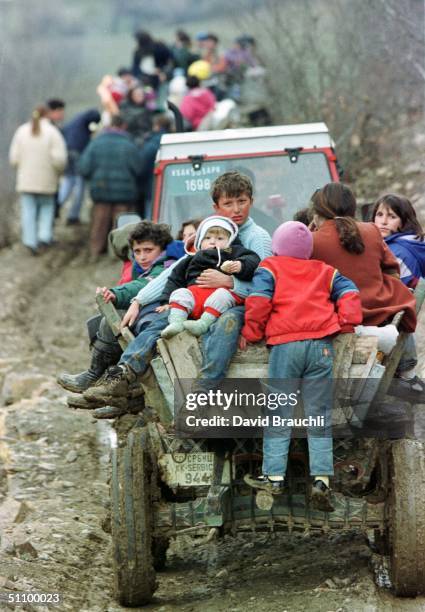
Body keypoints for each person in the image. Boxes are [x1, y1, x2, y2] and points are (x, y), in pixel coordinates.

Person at [83, 171, 272, 406]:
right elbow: (175, 272)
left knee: (225, 325)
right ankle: (124, 372)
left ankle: (205, 387)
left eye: (242, 202)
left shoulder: (257, 238)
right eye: (228, 203)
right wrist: (139, 301)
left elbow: (265, 287)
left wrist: (230, 283)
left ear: (251, 202)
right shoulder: (211, 234)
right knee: (160, 321)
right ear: (216, 207)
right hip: (201, 298)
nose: (236, 209)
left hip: (238, 303)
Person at [242, 221, 362, 511]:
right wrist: (346, 323)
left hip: (286, 347)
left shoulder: (270, 267)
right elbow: (350, 292)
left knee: (279, 411)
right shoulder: (324, 270)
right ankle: (321, 479)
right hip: (321, 346)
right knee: (318, 414)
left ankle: (274, 476)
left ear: (278, 247)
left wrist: (252, 333)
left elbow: (258, 301)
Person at [310, 182, 420, 397]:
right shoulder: (371, 230)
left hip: (341, 318)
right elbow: (391, 269)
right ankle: (407, 371)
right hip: (379, 312)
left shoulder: (312, 240)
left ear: (318, 211)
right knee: (396, 287)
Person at [57, 221, 178, 393]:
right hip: (149, 313)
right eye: (137, 251)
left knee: (114, 320)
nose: (142, 256)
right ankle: (109, 383)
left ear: (162, 249)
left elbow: (142, 285)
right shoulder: (143, 267)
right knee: (97, 322)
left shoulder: (166, 265)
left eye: (148, 250)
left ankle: (96, 376)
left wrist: (115, 293)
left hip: (158, 317)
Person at [159, 216, 260, 338]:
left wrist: (240, 265)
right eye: (207, 238)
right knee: (180, 293)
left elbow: (252, 259)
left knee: (222, 295)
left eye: (220, 238)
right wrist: (165, 301)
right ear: (200, 242)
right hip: (195, 295)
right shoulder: (191, 258)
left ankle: (202, 324)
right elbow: (175, 279)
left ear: (230, 241)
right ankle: (176, 323)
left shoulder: (231, 252)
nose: (213, 241)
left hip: (219, 298)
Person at [78, 114, 141, 260]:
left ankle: (96, 251)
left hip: (101, 190)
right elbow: (138, 168)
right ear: (123, 126)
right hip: (124, 193)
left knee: (99, 222)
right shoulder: (129, 144)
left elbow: (84, 167)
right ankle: (117, 254)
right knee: (120, 223)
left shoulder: (95, 143)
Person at [9, 105, 67, 255]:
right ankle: (44, 236)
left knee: (28, 210)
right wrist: (57, 173)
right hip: (47, 180)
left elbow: (14, 158)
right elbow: (60, 160)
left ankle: (30, 241)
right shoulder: (53, 133)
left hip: (26, 180)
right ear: (47, 115)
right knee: (46, 209)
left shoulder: (21, 131)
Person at [372, 193, 425, 288]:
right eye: (379, 215)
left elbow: (394, 292)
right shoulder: (415, 242)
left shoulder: (395, 252)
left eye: (392, 216)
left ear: (404, 221)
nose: (384, 221)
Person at [59, 108, 101, 225]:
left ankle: (56, 207)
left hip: (68, 153)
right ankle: (73, 216)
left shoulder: (75, 121)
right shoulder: (87, 121)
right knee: (80, 186)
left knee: (68, 182)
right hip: (78, 155)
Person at [137, 113, 173, 219]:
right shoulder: (173, 141)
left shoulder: (151, 144)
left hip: (152, 188)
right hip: (172, 189)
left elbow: (141, 167)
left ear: (156, 126)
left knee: (152, 218)